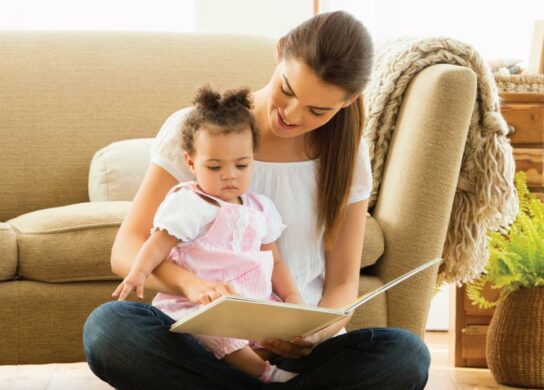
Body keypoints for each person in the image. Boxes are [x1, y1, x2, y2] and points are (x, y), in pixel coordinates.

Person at [83, 10, 431, 389]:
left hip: (289, 350)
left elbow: (342, 282)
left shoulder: (349, 155)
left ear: (348, 102)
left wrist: (314, 332)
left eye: (318, 110)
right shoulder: (202, 131)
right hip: (199, 342)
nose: (292, 114)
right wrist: (191, 286)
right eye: (288, 89)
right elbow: (127, 249)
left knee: (406, 355)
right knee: (108, 329)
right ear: (280, 52)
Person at [111, 85, 302, 383]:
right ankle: (263, 375)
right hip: (200, 307)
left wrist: (293, 299)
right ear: (190, 162)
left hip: (252, 306)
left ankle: (252, 371)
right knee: (210, 329)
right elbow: (158, 243)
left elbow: (274, 260)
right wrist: (138, 272)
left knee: (282, 336)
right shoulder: (190, 202)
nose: (230, 175)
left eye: (242, 165)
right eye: (215, 167)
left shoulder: (261, 207)